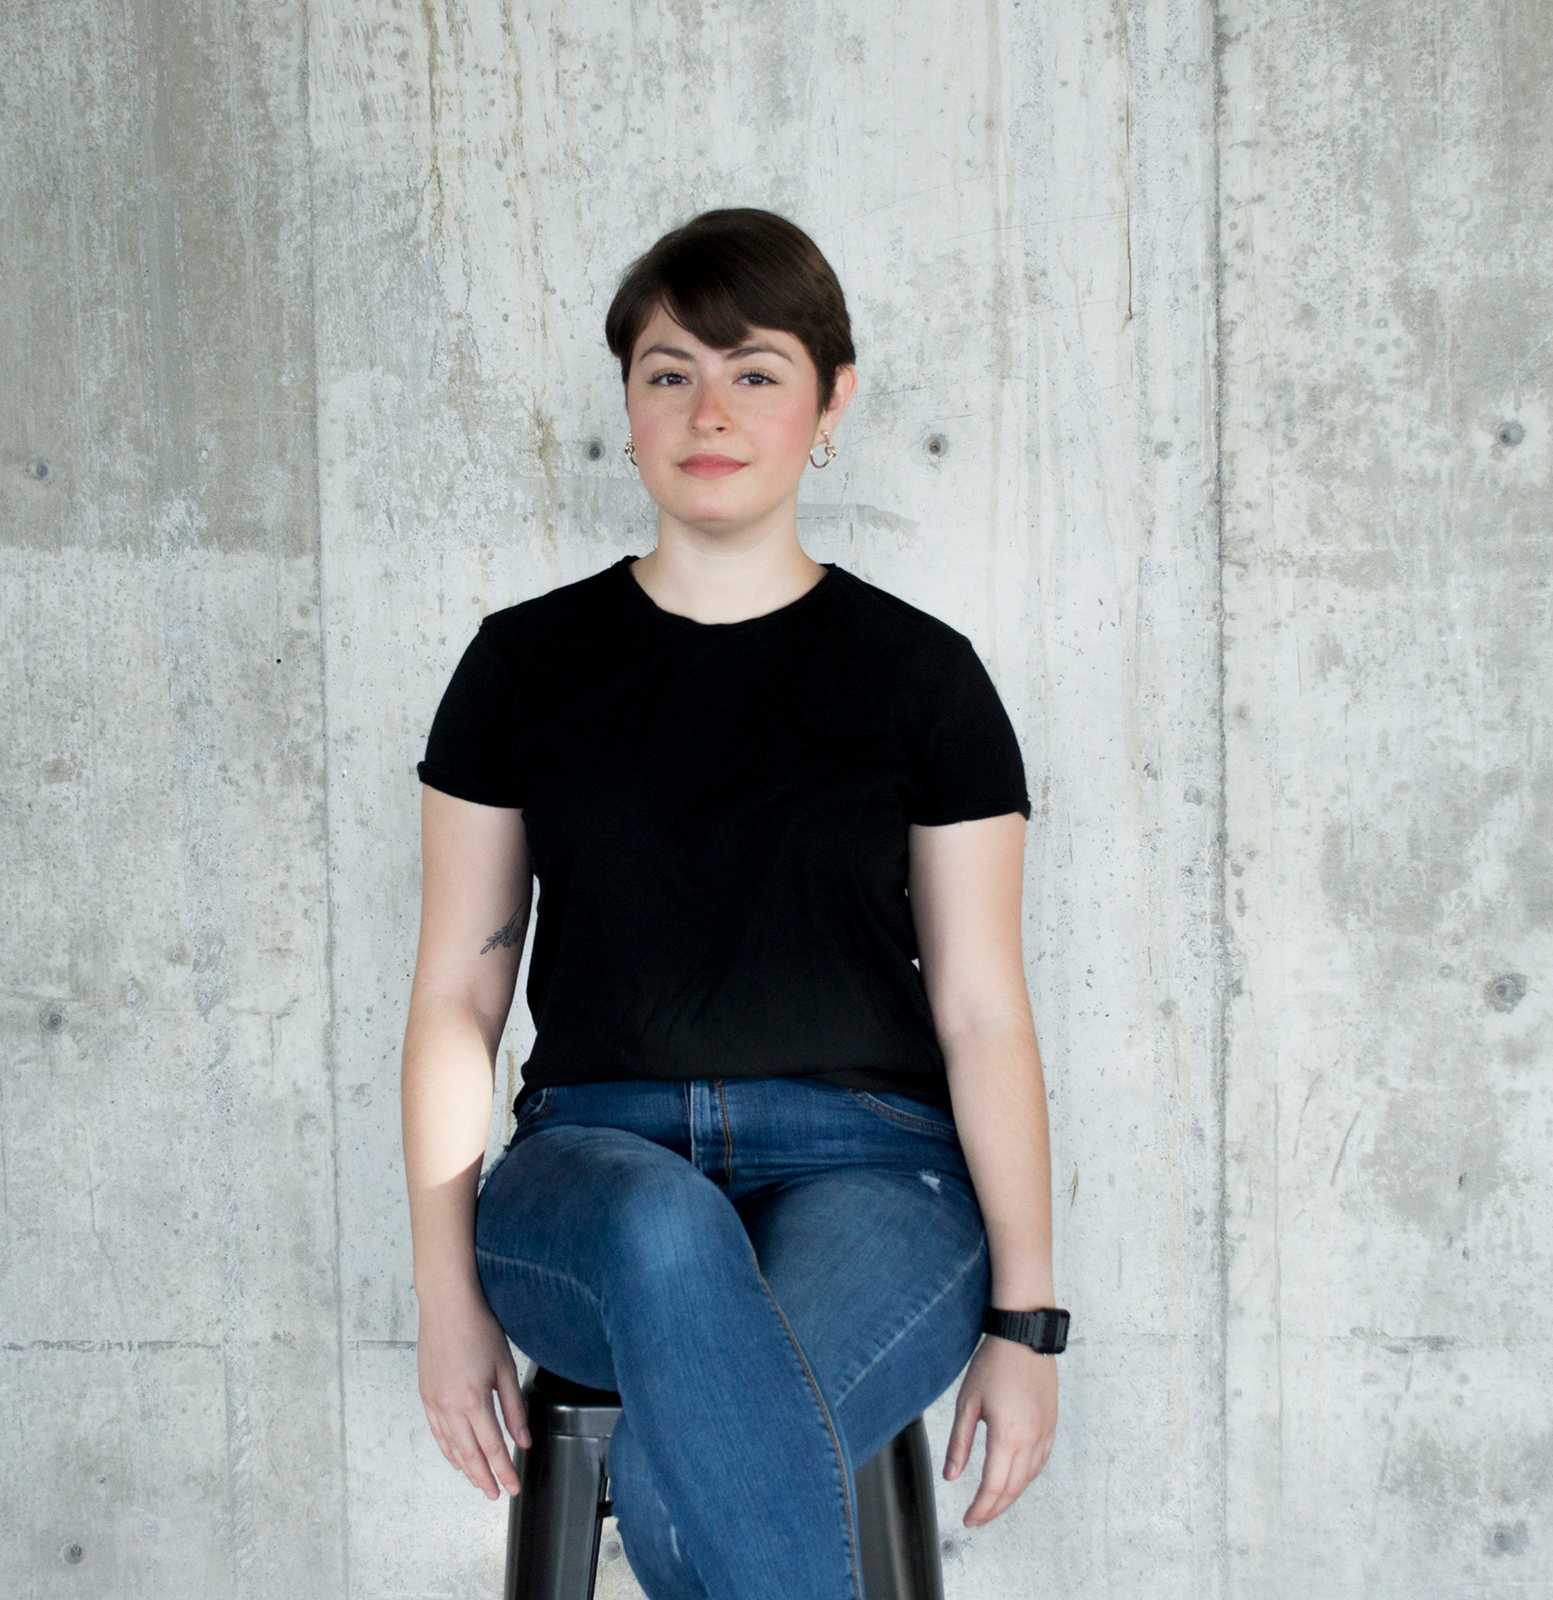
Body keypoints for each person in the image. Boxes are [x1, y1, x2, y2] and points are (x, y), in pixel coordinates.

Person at [402, 208, 1066, 1600]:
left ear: (832, 401)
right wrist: (444, 1295)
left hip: (872, 1173)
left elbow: (984, 1009)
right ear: (629, 403)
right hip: (592, 1173)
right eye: (667, 372)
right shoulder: (524, 670)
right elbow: (458, 1001)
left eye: (755, 370)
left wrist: (1027, 1318)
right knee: (667, 1237)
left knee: (715, 1445)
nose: (709, 409)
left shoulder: (924, 678)